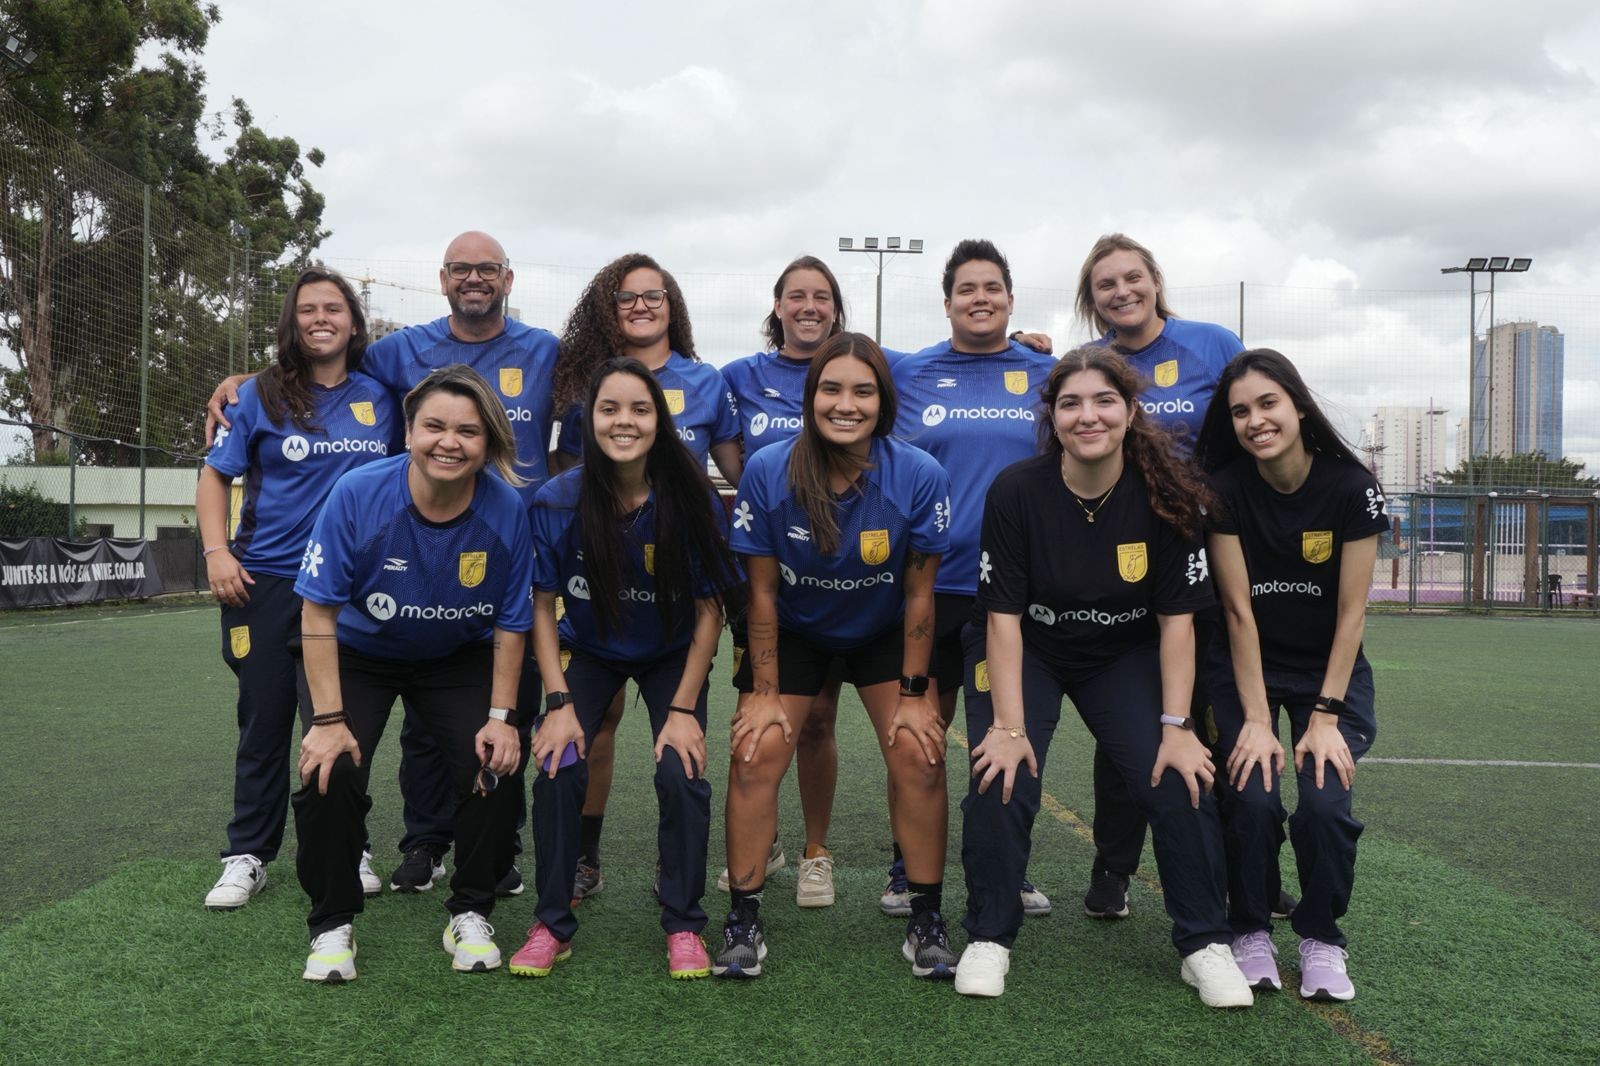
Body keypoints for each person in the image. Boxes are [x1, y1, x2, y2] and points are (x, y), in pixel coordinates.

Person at [208, 232, 558, 897]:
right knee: (301, 717)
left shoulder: (543, 350)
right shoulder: (399, 351)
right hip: (330, 567)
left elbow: (601, 393)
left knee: (476, 712)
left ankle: (475, 853)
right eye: (461, 269)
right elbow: (318, 358)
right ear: (443, 278)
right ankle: (314, 848)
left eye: (487, 268)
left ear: (508, 279)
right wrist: (246, 384)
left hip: (474, 552)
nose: (474, 278)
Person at [953, 346, 1252, 1008]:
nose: (1088, 416)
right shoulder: (1016, 490)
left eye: (1104, 401)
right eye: (1071, 404)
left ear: (1131, 411)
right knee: (1002, 770)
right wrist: (1008, 728)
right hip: (1029, 645)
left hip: (1123, 652)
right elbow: (1002, 618)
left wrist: (1176, 727)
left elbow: (1179, 624)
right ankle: (990, 935)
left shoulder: (1169, 495)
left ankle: (1204, 943)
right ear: (1052, 416)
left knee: (1177, 773)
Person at [716, 332, 954, 980]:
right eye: (831, 389)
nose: (845, 404)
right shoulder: (768, 469)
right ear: (810, 396)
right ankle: (742, 918)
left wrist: (914, 696)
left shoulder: (919, 474)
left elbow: (920, 595)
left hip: (882, 630)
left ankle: (927, 918)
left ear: (883, 401)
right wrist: (765, 692)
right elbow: (761, 594)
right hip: (795, 628)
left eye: (862, 391)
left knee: (921, 754)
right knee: (754, 750)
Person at [291, 364, 534, 982]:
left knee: (496, 761)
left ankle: (470, 909)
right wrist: (327, 719)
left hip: (457, 656)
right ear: (408, 432)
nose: (449, 442)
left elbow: (512, 624)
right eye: (434, 427)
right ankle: (331, 921)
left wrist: (501, 719)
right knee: (331, 765)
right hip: (360, 653)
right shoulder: (358, 493)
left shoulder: (506, 508)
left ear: (488, 443)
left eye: (468, 431)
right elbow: (317, 610)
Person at [512, 358, 739, 980]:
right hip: (590, 649)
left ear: (659, 421)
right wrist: (557, 705)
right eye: (609, 408)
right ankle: (551, 922)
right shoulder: (557, 499)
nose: (624, 421)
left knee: (680, 768)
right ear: (589, 420)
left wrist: (685, 709)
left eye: (639, 409)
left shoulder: (691, 497)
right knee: (557, 762)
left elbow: (710, 610)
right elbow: (539, 604)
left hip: (672, 653)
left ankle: (684, 923)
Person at [1073, 233, 1265, 922]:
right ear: (1091, 299)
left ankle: (1247, 873)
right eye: (1105, 284)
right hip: (1128, 562)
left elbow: (1256, 418)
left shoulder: (1212, 344)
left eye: (1132, 277)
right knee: (1128, 720)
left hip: (1216, 556)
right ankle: (1113, 866)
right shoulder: (1092, 363)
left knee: (1220, 717)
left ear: (1155, 280)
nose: (1121, 291)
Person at [198, 267, 399, 910]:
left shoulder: (385, 397)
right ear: (292, 322)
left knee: (338, 722)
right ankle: (248, 854)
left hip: (349, 590)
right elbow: (215, 477)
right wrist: (216, 553)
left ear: (353, 322)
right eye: (308, 309)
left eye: (333, 308)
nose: (321, 319)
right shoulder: (257, 394)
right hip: (266, 582)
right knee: (263, 721)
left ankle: (346, 846)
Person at [545, 253, 741, 905]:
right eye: (626, 297)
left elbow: (737, 475)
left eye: (653, 295)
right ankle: (583, 857)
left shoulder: (706, 381)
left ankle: (674, 873)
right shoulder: (582, 381)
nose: (640, 306)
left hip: (676, 582)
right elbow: (570, 480)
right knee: (592, 725)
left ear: (672, 303)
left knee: (677, 749)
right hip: (602, 585)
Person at [1195, 348, 1385, 1002]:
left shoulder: (1352, 488)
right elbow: (1237, 612)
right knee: (1251, 797)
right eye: (1240, 411)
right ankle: (1249, 930)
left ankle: (1322, 938)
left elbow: (1352, 613)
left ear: (1298, 406)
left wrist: (1325, 717)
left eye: (1267, 403)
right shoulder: (1223, 490)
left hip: (1326, 674)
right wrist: (1254, 720)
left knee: (1325, 804)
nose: (1255, 420)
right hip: (1244, 668)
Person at [889, 239, 1057, 918]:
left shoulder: (1048, 373)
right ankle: (905, 867)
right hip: (928, 593)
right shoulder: (910, 372)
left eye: (992, 288)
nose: (979, 298)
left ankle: (1006, 868)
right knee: (919, 741)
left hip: (1009, 600)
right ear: (947, 302)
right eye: (967, 289)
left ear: (1010, 299)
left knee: (1003, 737)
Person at [717, 255, 851, 908]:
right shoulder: (739, 377)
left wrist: (1020, 340)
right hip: (767, 575)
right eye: (796, 295)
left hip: (842, 575)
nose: (809, 306)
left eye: (821, 296)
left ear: (835, 308)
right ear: (777, 307)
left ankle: (815, 851)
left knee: (819, 717)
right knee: (757, 718)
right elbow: (729, 462)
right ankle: (761, 843)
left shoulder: (859, 366)